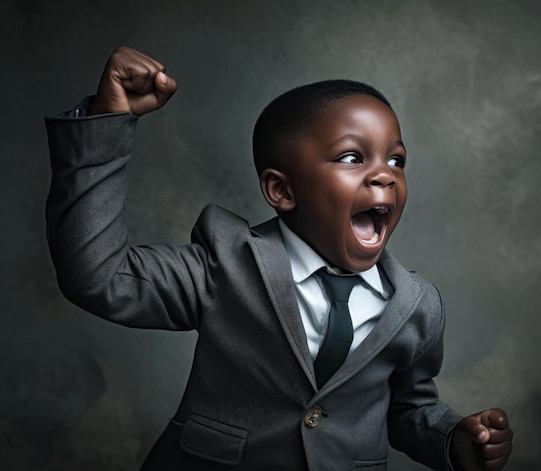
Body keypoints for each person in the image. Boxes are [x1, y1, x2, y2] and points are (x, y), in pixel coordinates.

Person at [45, 46, 513, 470]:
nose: (384, 176)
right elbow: (98, 275)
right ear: (281, 190)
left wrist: (452, 440)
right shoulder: (223, 265)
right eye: (352, 158)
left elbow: (407, 409)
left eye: (396, 160)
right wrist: (106, 123)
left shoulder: (418, 306)